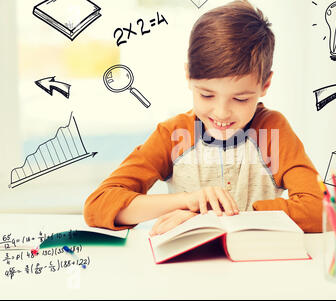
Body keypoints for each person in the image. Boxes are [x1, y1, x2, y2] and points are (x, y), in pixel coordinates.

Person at [84, 0, 323, 235]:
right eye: (207, 95)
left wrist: (218, 219)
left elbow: (319, 210)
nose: (221, 112)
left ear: (265, 84)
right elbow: (99, 206)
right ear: (188, 76)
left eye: (240, 99)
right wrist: (188, 201)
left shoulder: (273, 131)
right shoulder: (173, 135)